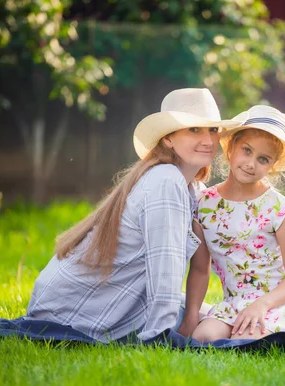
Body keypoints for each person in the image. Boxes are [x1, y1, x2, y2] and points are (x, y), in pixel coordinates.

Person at [24, 88, 241, 343]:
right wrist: (162, 335)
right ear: (168, 139)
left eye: (213, 130)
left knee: (225, 320)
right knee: (218, 329)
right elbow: (165, 271)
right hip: (71, 312)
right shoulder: (165, 181)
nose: (208, 140)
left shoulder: (191, 188)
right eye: (194, 129)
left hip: (116, 300)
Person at [187, 105, 285, 342]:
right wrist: (191, 316)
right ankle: (231, 324)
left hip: (279, 300)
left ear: (272, 165)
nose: (251, 163)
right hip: (235, 301)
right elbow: (199, 269)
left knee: (248, 339)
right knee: (203, 336)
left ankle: (282, 326)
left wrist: (262, 305)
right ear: (231, 147)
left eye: (263, 159)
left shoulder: (280, 210)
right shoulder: (204, 205)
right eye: (246, 150)